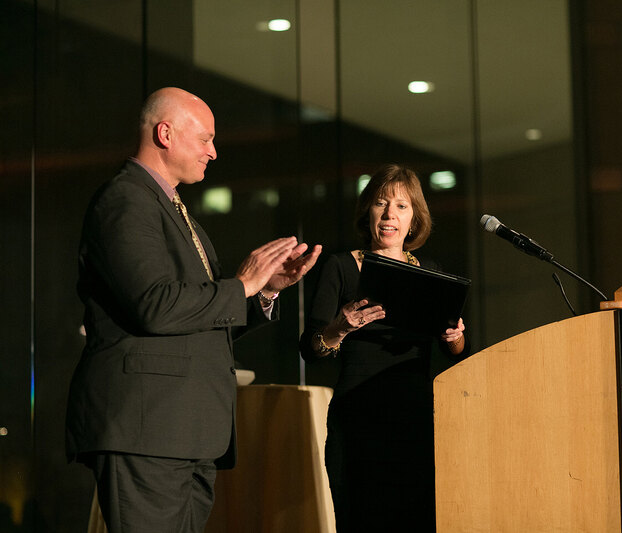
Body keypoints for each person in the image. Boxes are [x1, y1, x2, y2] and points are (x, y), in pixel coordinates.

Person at [65, 87, 321, 533]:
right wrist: (241, 284)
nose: (214, 152)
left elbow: (197, 319)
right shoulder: (126, 200)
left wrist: (261, 293)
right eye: (205, 139)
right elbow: (155, 306)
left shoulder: (180, 215)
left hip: (185, 431)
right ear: (165, 133)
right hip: (149, 429)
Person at [299, 164, 468, 531]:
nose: (391, 214)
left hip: (416, 417)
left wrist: (455, 338)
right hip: (358, 417)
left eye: (402, 206)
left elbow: (455, 351)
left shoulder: (431, 271)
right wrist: (339, 328)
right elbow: (310, 348)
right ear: (368, 212)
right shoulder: (341, 267)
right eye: (381, 204)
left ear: (414, 219)